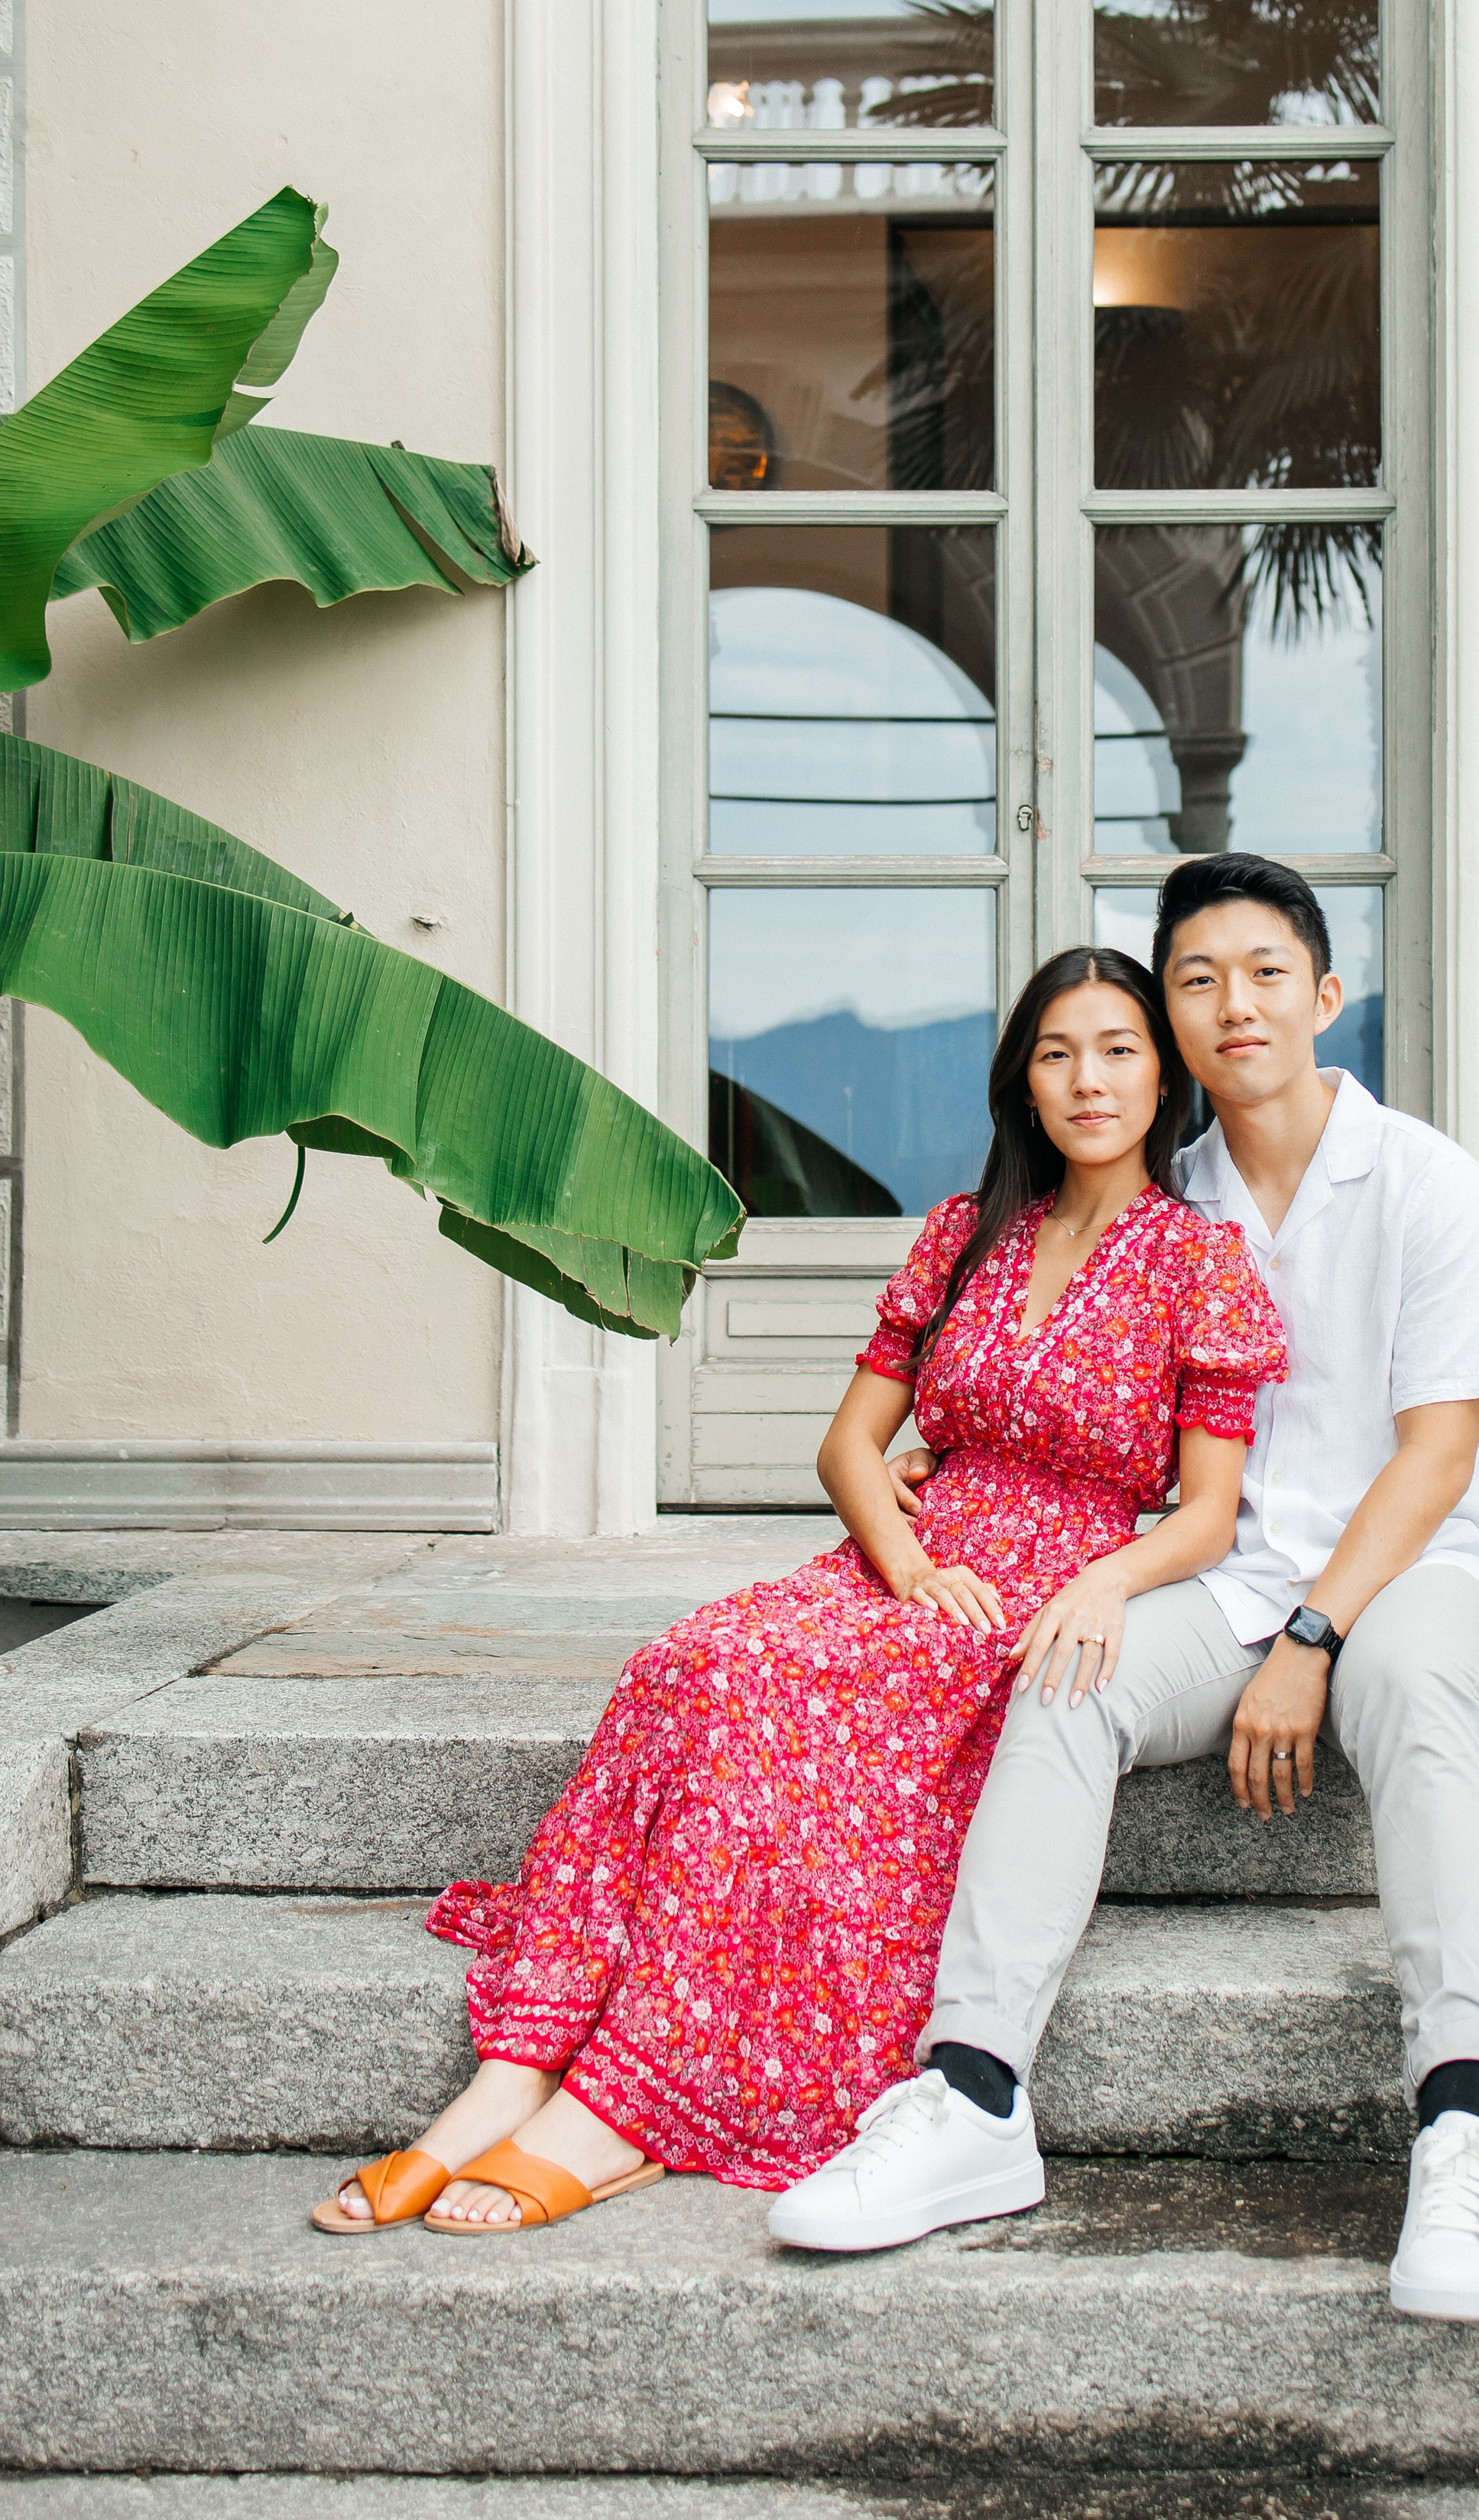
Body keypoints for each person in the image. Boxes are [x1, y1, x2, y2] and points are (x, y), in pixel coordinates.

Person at [311, 943, 1283, 2235]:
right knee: (697, 1658)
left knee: (780, 1704)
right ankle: (514, 2071)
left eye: (1118, 1051)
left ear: (1164, 1079)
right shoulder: (966, 1232)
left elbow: (1209, 1512)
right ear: (1024, 1082)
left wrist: (1107, 1583)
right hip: (910, 1562)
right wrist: (909, 1561)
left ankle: (616, 2111)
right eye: (1058, 1054)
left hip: (1038, 1592)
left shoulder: (1199, 1262)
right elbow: (849, 1447)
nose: (1088, 1081)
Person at [773, 853, 1479, 2326]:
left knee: (1412, 1685)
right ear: (1173, 1020)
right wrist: (948, 1466)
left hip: (1411, 1570)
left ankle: (1466, 2124)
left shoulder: (1427, 1180)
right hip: (1226, 1577)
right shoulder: (1165, 1196)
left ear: (1325, 993)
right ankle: (974, 2095)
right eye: (1197, 978)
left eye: (1264, 972)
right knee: (1069, 1672)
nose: (1233, 1003)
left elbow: (1439, 1455)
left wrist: (1315, 1636)